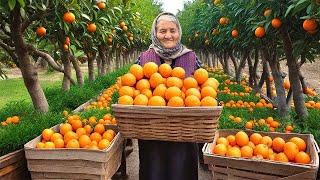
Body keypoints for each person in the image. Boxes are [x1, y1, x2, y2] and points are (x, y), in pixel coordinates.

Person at [135, 12, 203, 180]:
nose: (168, 35)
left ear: (179, 32)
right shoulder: (143, 58)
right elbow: (132, 89)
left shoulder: (191, 57)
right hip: (152, 132)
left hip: (184, 132)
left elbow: (202, 89)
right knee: (153, 171)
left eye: (173, 30)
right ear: (155, 33)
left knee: (182, 171)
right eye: (162, 31)